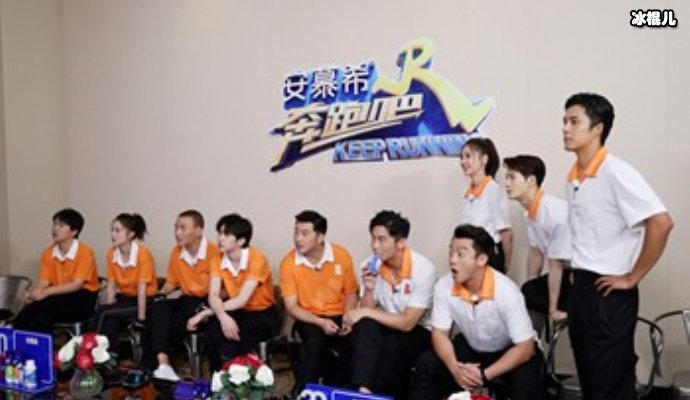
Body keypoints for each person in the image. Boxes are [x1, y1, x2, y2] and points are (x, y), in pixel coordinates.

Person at [562, 93, 673, 400]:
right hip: (582, 288)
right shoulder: (573, 178)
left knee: (609, 382)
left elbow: (661, 223)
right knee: (589, 378)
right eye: (564, 121)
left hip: (608, 292)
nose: (565, 128)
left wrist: (632, 277)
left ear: (597, 128)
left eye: (574, 122)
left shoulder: (616, 172)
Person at [412, 224, 544, 400]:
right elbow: (439, 334)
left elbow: (525, 348)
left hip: (510, 350)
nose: (452, 260)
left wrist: (484, 375)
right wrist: (455, 369)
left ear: (481, 260)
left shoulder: (507, 292)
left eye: (461, 254)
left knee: (526, 382)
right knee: (427, 364)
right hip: (473, 348)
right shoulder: (444, 286)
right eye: (451, 252)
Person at [346, 210, 436, 399]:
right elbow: (367, 310)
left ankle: (373, 392)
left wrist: (365, 312)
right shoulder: (370, 265)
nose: (375, 246)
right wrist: (369, 289)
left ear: (400, 243)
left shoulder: (423, 269)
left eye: (381, 239)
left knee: (393, 344)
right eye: (373, 239)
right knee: (364, 327)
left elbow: (408, 323)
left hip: (418, 330)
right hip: (387, 323)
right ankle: (362, 390)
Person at [186, 213, 279, 370]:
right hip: (234, 309)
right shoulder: (217, 259)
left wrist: (205, 313)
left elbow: (242, 299)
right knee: (212, 332)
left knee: (235, 338)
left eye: (226, 235)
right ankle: (218, 377)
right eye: (220, 233)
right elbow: (213, 295)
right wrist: (222, 316)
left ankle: (235, 378)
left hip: (262, 312)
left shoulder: (257, 259)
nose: (220, 238)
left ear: (241, 241)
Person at [279, 210, 357, 394]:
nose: (298, 238)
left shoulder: (341, 255)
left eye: (304, 233)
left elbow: (351, 293)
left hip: (339, 314)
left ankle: (340, 392)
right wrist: (320, 322)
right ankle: (304, 391)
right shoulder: (288, 263)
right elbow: (291, 307)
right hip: (309, 317)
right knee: (314, 342)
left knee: (356, 341)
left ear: (320, 237)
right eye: (296, 232)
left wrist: (348, 317)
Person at [147, 209, 220, 381]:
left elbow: (222, 289)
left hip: (207, 301)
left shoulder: (214, 252)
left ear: (199, 230)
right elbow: (172, 282)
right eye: (176, 228)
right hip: (186, 299)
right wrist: (161, 293)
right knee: (157, 307)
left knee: (166, 323)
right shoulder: (176, 252)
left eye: (182, 228)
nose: (177, 233)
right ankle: (163, 364)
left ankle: (155, 365)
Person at [503, 155, 571, 333]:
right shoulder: (529, 212)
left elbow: (556, 264)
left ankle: (532, 341)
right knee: (528, 292)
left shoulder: (555, 212)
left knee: (531, 293)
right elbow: (535, 251)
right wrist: (530, 287)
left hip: (584, 277)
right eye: (506, 177)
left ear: (531, 181)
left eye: (512, 177)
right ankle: (532, 341)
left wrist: (553, 308)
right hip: (565, 272)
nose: (506, 183)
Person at [13, 208, 100, 334]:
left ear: (74, 231)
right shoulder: (48, 252)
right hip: (58, 296)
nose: (55, 229)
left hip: (83, 298)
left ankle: (34, 345)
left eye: (61, 225)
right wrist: (34, 295)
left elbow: (76, 285)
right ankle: (21, 342)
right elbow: (44, 282)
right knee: (33, 312)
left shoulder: (85, 252)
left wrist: (45, 293)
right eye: (54, 224)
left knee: (44, 307)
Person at [93, 213, 157, 351]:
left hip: (144, 301)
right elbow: (111, 284)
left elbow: (142, 289)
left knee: (102, 312)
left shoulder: (143, 254)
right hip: (125, 299)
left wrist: (141, 319)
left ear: (131, 234)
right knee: (109, 320)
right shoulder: (111, 253)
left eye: (117, 231)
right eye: (112, 230)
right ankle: (109, 358)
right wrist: (110, 306)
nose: (113, 234)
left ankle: (90, 350)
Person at [459, 137, 513, 273]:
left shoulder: (493, 190)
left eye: (468, 156)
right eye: (461, 157)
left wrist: (505, 265)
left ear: (484, 159)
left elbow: (506, 233)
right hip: (470, 256)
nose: (463, 161)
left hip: (488, 256)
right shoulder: (467, 192)